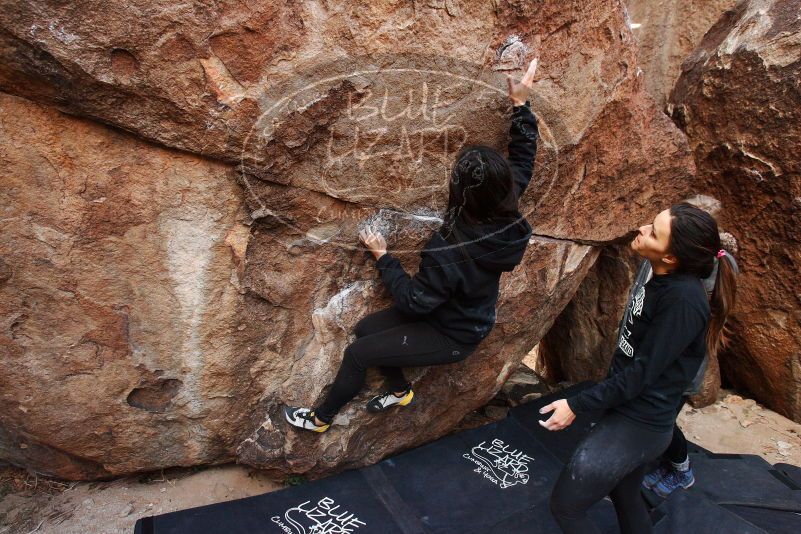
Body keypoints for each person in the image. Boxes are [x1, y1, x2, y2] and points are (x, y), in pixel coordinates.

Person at [284, 58, 541, 432]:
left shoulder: (448, 247)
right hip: (453, 313)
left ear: (459, 192)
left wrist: (383, 257)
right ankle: (400, 389)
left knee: (357, 355)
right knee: (366, 331)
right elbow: (524, 156)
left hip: (453, 334)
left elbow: (414, 302)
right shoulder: (506, 209)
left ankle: (321, 419)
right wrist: (521, 104)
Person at [539, 203, 738, 534]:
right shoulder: (660, 274)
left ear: (671, 257)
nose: (643, 228)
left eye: (654, 233)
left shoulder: (683, 303)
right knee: (625, 493)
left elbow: (642, 374)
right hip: (629, 408)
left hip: (640, 423)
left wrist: (576, 403)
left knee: (566, 506)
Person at [642, 250, 739, 498]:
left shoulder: (692, 307)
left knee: (664, 425)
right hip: (674, 376)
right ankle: (669, 464)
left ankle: (682, 470)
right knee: (661, 422)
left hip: (680, 380)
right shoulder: (695, 300)